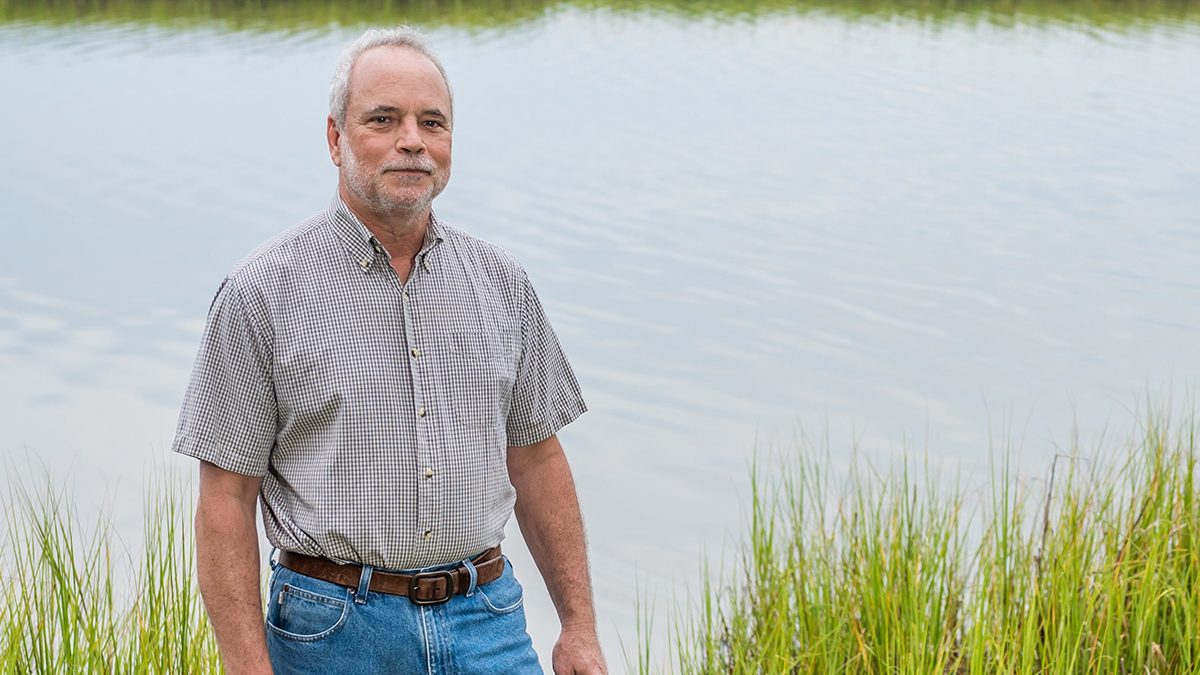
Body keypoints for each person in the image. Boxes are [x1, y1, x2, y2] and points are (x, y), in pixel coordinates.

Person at [172, 26, 606, 675]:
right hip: (331, 632)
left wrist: (579, 626)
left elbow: (539, 458)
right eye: (384, 119)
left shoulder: (502, 284)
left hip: (488, 621)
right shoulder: (260, 292)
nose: (412, 140)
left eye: (432, 122)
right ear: (335, 138)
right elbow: (226, 498)